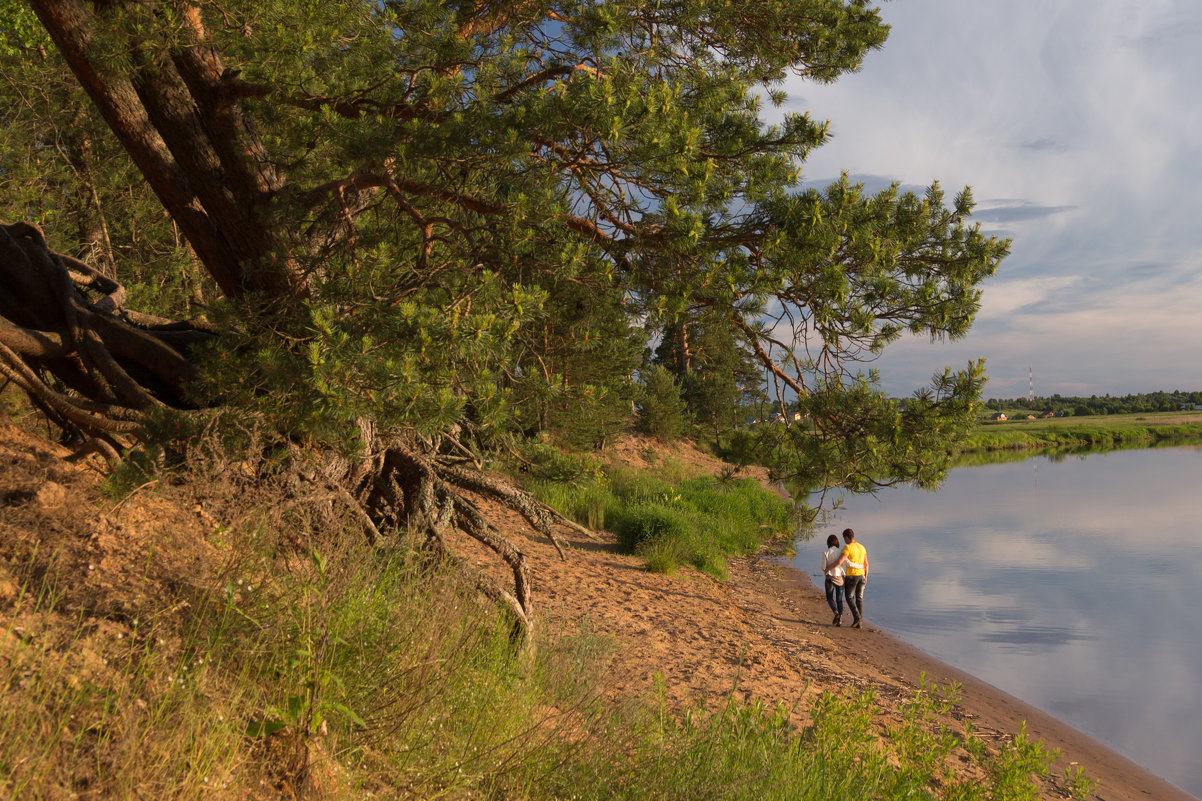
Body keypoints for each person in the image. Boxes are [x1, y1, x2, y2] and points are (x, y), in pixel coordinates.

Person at [827, 528, 868, 629]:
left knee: (849, 597)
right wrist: (866, 576)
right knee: (859, 598)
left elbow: (839, 561)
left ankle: (857, 618)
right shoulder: (862, 547)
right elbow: (866, 564)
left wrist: (828, 568)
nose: (844, 540)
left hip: (852, 576)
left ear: (846, 537)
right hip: (862, 575)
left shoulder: (847, 548)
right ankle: (859, 621)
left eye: (844, 538)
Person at [820, 534, 845, 626]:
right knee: (839, 599)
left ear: (828, 543)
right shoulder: (841, 551)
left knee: (829, 598)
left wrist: (827, 569)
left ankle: (836, 613)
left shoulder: (825, 552)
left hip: (830, 577)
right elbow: (845, 562)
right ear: (837, 542)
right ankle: (840, 619)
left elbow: (823, 567)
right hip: (840, 578)